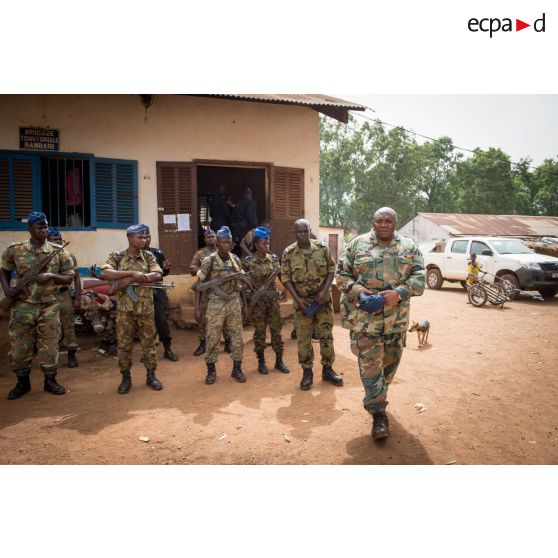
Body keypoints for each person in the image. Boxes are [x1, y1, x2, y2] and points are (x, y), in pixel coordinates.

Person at [335, 207, 425, 441]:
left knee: (389, 367)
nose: (383, 224)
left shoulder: (409, 247)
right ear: (373, 222)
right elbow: (341, 275)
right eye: (379, 221)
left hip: (396, 321)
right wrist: (358, 292)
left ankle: (379, 396)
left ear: (395, 223)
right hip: (365, 322)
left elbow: (419, 276)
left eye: (388, 221)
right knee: (370, 368)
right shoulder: (356, 245)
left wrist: (399, 292)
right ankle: (378, 413)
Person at [0, 211, 75, 400]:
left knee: (49, 345)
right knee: (19, 346)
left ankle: (50, 380)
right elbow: (4, 270)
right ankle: (22, 383)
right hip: (22, 305)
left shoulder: (59, 252)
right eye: (39, 226)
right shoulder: (15, 250)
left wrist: (51, 276)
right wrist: (7, 289)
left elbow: (69, 278)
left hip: (49, 305)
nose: (44, 229)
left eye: (45, 226)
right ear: (29, 229)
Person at [100, 224, 164, 394]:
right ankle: (125, 377)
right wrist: (130, 275)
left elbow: (158, 274)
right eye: (140, 237)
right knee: (124, 346)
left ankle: (151, 375)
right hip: (125, 311)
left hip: (146, 310)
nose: (144, 240)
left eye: (145, 237)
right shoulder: (117, 256)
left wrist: (142, 276)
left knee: (149, 344)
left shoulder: (149, 256)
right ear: (129, 238)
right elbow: (106, 273)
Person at [281, 219, 343, 390]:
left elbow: (332, 269)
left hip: (323, 301)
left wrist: (324, 291)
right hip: (302, 303)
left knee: (326, 336)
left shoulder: (322, 249)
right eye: (299, 232)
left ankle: (328, 370)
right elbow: (285, 277)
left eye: (305, 231)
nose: (303, 235)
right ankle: (307, 373)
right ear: (295, 233)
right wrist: (297, 299)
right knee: (304, 339)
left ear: (310, 230)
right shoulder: (289, 253)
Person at [195, 226, 248, 385]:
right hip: (216, 302)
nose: (226, 245)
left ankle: (237, 369)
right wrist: (197, 308)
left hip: (233, 301)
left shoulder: (236, 260)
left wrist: (245, 304)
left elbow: (241, 283)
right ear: (217, 243)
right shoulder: (209, 261)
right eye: (223, 242)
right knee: (212, 338)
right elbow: (199, 285)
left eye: (229, 242)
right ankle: (211, 371)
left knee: (237, 338)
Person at [242, 227, 289, 374]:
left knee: (276, 330)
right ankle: (261, 362)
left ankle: (279, 361)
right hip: (258, 303)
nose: (267, 246)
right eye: (264, 243)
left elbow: (281, 273)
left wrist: (285, 287)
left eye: (268, 243)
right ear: (256, 245)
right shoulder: (248, 262)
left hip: (272, 302)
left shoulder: (274, 258)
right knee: (260, 332)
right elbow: (243, 284)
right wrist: (247, 302)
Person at [189, 228, 232, 356]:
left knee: (225, 317)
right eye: (208, 237)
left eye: (213, 236)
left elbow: (230, 269)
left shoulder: (225, 252)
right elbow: (192, 270)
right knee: (203, 318)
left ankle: (228, 342)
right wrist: (206, 270)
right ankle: (203, 343)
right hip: (206, 290)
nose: (211, 239)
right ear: (205, 239)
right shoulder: (200, 253)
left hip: (222, 289)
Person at [47, 227, 81, 368]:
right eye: (55, 240)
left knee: (68, 325)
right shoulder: (42, 256)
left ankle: (71, 354)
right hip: (45, 295)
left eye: (60, 239)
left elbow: (76, 278)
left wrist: (78, 297)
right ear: (47, 241)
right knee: (47, 326)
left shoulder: (68, 255)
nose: (58, 242)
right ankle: (48, 357)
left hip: (63, 294)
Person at [144, 229, 179, 361]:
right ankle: (147, 352)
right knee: (144, 322)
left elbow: (163, 273)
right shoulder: (133, 255)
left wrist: (166, 268)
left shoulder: (157, 253)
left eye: (148, 237)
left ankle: (167, 349)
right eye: (143, 237)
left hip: (157, 290)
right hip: (141, 293)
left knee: (161, 320)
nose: (146, 239)